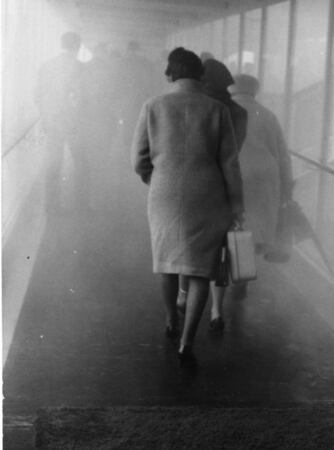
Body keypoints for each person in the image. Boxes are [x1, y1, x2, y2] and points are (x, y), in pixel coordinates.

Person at [132, 47, 244, 368]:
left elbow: (137, 158)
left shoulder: (153, 106)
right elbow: (230, 164)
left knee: (167, 262)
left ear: (170, 74)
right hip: (207, 195)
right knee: (200, 271)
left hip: (164, 193)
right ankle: (187, 343)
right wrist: (237, 204)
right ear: (200, 75)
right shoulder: (216, 110)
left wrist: (154, 177)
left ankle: (170, 319)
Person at [176, 58, 248, 335]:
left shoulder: (198, 108)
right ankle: (217, 310)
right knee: (220, 253)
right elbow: (232, 154)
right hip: (223, 187)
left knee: (190, 244)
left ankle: (184, 293)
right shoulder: (238, 113)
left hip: (193, 185)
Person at [229, 74, 293, 260]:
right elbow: (283, 156)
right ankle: (246, 270)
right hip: (264, 178)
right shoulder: (267, 115)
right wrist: (287, 186)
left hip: (232, 178)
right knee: (256, 229)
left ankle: (236, 270)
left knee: (234, 229)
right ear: (255, 90)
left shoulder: (221, 112)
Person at [34, 31, 88, 214]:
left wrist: (46, 117)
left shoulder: (47, 66)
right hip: (74, 123)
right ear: (78, 46)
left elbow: (38, 95)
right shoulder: (80, 68)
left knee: (53, 164)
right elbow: (82, 97)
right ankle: (81, 205)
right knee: (81, 164)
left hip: (53, 122)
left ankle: (51, 205)